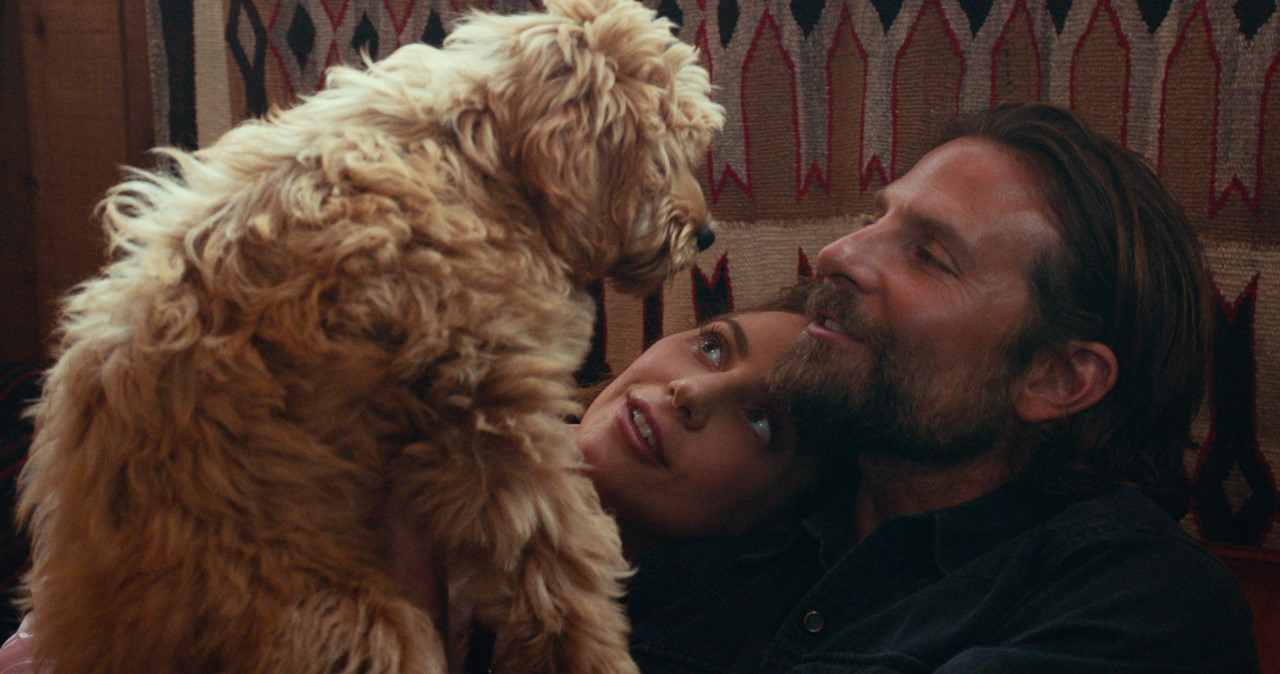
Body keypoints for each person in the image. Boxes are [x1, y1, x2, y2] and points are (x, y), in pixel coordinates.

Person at [623, 102, 1259, 673]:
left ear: (1057, 378)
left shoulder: (1142, 602)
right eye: (873, 219)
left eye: (928, 255)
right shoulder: (758, 508)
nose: (837, 254)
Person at [0, 284, 829, 673]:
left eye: (762, 422)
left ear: (772, 521)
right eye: (712, 346)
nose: (692, 392)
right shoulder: (436, 405)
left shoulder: (661, 642)